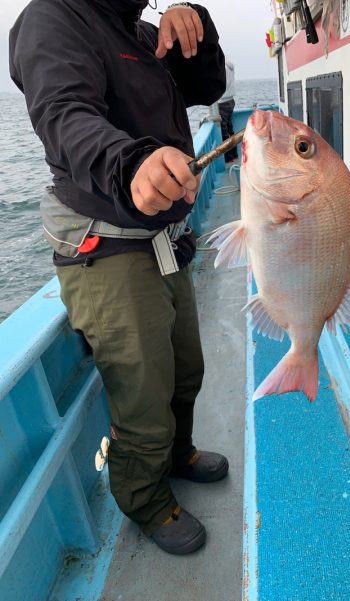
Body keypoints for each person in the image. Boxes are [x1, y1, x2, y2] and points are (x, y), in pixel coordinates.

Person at [9, 0, 228, 555]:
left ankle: (178, 456)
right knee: (143, 394)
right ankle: (146, 500)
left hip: (164, 238)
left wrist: (196, 26)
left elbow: (207, 85)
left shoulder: (144, 31)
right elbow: (64, 115)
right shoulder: (53, 18)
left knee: (185, 369)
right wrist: (131, 164)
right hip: (105, 246)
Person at [218, 57, 239, 163]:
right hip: (231, 101)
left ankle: (229, 158)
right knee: (230, 130)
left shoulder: (220, 65)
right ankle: (234, 155)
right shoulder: (228, 64)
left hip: (222, 103)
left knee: (224, 133)